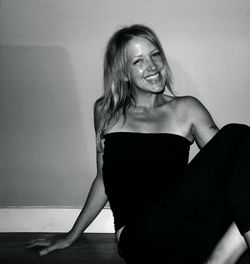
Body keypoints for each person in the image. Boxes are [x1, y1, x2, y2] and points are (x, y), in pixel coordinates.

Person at [26, 24, 250, 263]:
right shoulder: (106, 111)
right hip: (140, 238)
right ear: (123, 73)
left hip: (190, 229)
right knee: (237, 134)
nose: (152, 66)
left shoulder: (187, 109)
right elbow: (103, 179)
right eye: (138, 61)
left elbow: (232, 167)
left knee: (242, 146)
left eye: (155, 55)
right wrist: (72, 235)